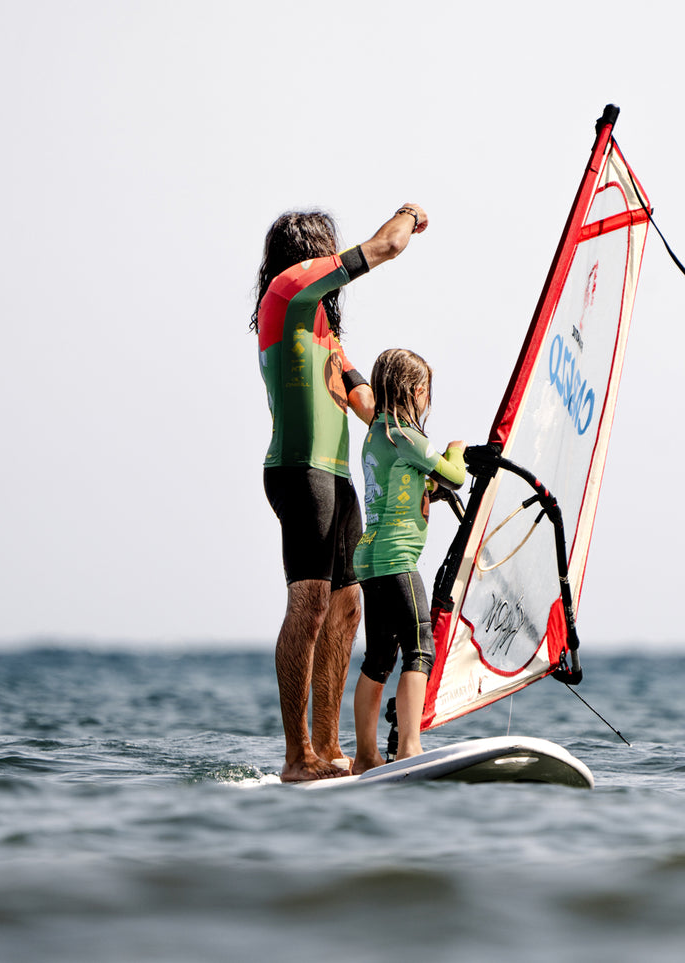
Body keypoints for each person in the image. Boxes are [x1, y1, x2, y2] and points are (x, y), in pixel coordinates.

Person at [253, 204, 429, 782]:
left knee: (348, 605)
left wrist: (424, 460)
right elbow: (386, 247)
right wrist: (407, 214)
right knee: (309, 604)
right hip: (298, 472)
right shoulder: (286, 292)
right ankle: (296, 755)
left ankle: (330, 750)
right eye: (328, 250)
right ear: (310, 253)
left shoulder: (323, 335)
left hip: (338, 478)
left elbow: (368, 408)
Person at [349, 348, 466, 774]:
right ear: (417, 391)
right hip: (397, 559)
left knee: (379, 658)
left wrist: (426, 489)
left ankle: (364, 757)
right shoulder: (408, 436)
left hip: (370, 558)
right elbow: (454, 475)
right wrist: (457, 452)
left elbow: (404, 488)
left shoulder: (377, 434)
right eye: (425, 394)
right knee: (420, 649)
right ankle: (409, 748)